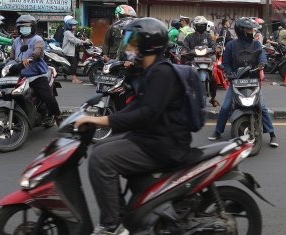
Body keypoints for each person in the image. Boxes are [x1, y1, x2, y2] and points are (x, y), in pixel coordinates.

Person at [73, 17, 202, 235]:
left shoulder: (162, 73)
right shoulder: (150, 71)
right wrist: (99, 119)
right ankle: (122, 213)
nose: (129, 46)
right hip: (152, 137)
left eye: (133, 41)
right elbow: (136, 109)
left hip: (163, 144)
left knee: (101, 158)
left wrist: (101, 121)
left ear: (148, 45)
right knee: (104, 149)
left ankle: (111, 226)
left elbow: (145, 114)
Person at [208, 17, 278, 146]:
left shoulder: (256, 44)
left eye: (252, 29)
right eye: (249, 30)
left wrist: (263, 63)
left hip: (253, 80)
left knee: (261, 107)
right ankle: (218, 131)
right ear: (241, 31)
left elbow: (261, 55)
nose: (252, 32)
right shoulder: (231, 45)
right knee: (225, 107)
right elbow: (226, 63)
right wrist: (229, 73)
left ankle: (272, 134)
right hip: (236, 80)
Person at [10, 15, 62, 126]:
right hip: (21, 75)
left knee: (48, 97)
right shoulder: (16, 41)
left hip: (37, 75)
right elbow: (12, 58)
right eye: (22, 26)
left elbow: (38, 50)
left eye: (27, 26)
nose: (24, 28)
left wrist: (31, 58)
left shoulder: (37, 39)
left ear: (33, 27)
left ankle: (58, 117)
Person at [182, 16, 221, 107]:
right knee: (185, 76)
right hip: (192, 60)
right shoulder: (189, 37)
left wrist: (216, 48)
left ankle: (213, 99)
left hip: (206, 60)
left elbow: (213, 44)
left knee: (213, 79)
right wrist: (184, 51)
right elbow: (184, 47)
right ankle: (185, 97)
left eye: (204, 25)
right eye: (200, 25)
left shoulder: (207, 36)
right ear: (195, 26)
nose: (202, 27)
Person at [62, 18, 91, 83]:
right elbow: (74, 40)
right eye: (72, 25)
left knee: (77, 60)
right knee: (74, 62)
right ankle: (74, 79)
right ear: (69, 26)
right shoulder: (67, 33)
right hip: (68, 51)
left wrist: (81, 37)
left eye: (74, 25)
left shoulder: (70, 32)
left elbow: (75, 37)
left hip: (71, 50)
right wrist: (84, 42)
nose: (74, 27)